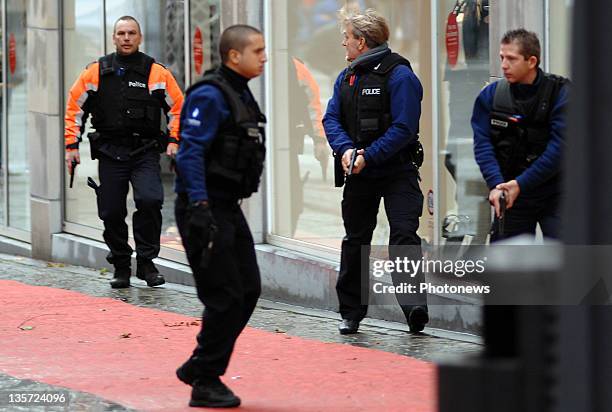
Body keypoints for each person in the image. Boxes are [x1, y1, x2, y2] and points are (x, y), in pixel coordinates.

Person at [173, 25, 267, 408]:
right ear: (234, 56)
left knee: (248, 289)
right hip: (205, 208)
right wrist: (199, 207)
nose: (263, 57)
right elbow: (189, 152)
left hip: (227, 206)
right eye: (257, 51)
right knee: (224, 295)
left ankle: (199, 365)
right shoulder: (211, 95)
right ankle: (205, 380)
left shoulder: (239, 90)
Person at [323, 8, 428, 335]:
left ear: (363, 42)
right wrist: (345, 150)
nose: (344, 44)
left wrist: (370, 155)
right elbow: (331, 119)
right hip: (359, 172)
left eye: (347, 38)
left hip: (398, 171)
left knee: (404, 236)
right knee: (356, 239)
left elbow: (404, 127)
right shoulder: (347, 76)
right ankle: (350, 313)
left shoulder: (401, 76)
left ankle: (414, 308)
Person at [64, 16, 184, 289]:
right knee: (111, 211)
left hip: (144, 152)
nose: (126, 38)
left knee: (151, 200)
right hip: (110, 152)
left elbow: (178, 108)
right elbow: (75, 108)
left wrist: (175, 139)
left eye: (131, 33)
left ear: (139, 38)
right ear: (114, 38)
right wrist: (71, 146)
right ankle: (121, 264)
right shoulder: (96, 71)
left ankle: (146, 263)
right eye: (121, 33)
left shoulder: (156, 73)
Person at [472, 29, 569, 241]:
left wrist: (521, 184)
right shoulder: (491, 96)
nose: (504, 65)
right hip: (510, 193)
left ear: (531, 61)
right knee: (507, 265)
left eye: (511, 59)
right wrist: (497, 185)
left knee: (567, 262)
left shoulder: (560, 93)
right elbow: (483, 146)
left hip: (556, 192)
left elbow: (560, 149)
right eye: (502, 58)